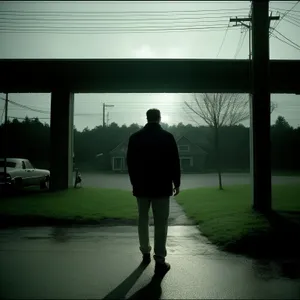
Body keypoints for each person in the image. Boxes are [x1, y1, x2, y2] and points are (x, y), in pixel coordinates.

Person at [126, 108, 181, 275]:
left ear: (147, 118)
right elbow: (174, 162)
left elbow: (130, 163)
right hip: (162, 187)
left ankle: (145, 252)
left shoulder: (135, 138)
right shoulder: (167, 137)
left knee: (143, 219)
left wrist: (135, 183)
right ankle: (160, 259)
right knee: (161, 223)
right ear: (159, 118)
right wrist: (176, 183)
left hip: (141, 186)